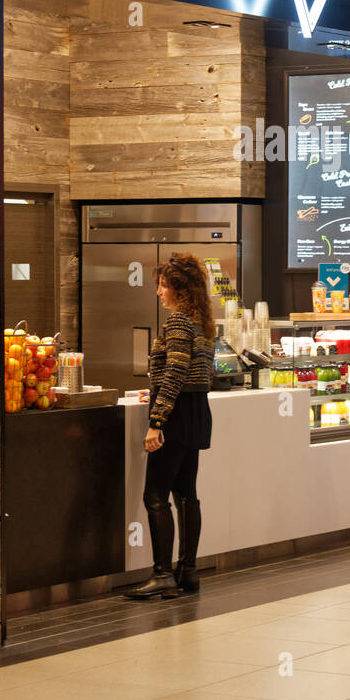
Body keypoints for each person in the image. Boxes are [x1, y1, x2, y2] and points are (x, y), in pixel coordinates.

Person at [124, 253, 215, 600]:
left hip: (175, 414)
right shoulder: (203, 323)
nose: (158, 293)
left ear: (179, 289)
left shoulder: (178, 322)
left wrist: (156, 421)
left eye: (163, 286)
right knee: (187, 495)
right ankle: (187, 571)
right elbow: (197, 372)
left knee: (155, 495)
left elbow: (175, 371)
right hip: (197, 412)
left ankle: (162, 573)